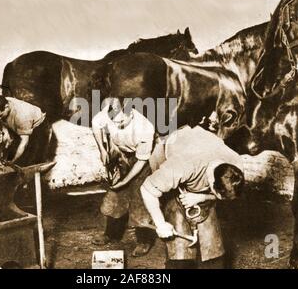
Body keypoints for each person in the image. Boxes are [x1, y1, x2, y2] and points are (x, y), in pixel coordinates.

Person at [140, 125, 244, 269]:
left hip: (200, 144)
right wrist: (160, 224)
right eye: (218, 195)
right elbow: (147, 189)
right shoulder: (182, 165)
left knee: (213, 252)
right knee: (179, 251)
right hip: (168, 145)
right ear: (212, 183)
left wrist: (202, 198)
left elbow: (223, 195)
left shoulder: (236, 164)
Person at [91, 98, 156, 257]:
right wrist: (102, 150)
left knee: (139, 198)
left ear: (131, 114)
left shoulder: (145, 127)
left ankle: (144, 240)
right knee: (116, 195)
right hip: (122, 155)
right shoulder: (109, 112)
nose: (117, 125)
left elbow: (141, 161)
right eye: (114, 121)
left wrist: (125, 182)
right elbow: (95, 124)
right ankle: (111, 234)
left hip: (142, 160)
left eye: (122, 122)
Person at [0, 95, 52, 166]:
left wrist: (13, 162)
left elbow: (24, 143)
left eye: (0, 116)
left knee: (33, 159)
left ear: (6, 107)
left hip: (39, 127)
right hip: (19, 124)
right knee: (10, 154)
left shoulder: (22, 115)